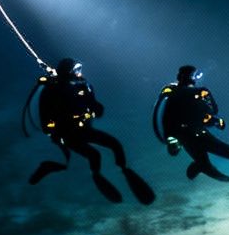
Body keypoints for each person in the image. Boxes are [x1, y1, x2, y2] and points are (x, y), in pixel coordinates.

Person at [25, 59, 154, 205]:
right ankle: (91, 175)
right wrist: (68, 123)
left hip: (84, 130)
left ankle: (124, 170)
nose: (80, 72)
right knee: (94, 155)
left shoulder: (83, 86)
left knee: (115, 145)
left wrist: (96, 109)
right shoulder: (52, 91)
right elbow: (48, 119)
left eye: (80, 68)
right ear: (69, 72)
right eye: (76, 69)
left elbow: (95, 106)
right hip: (66, 135)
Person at [153, 66, 229, 182]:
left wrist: (214, 121)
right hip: (193, 136)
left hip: (189, 137)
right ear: (190, 78)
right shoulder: (192, 93)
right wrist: (205, 98)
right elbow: (211, 111)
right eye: (194, 75)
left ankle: (202, 166)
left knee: (211, 163)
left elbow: (201, 116)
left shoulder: (175, 94)